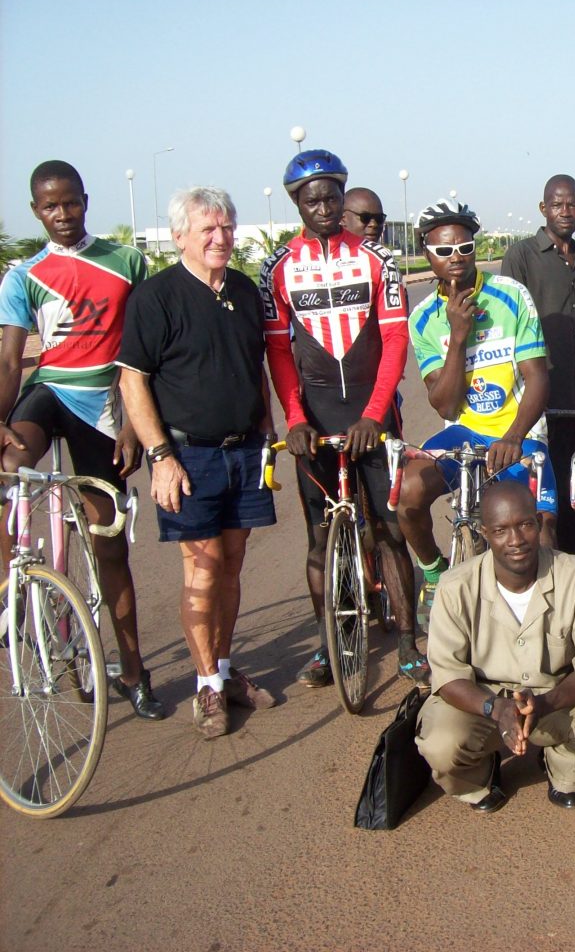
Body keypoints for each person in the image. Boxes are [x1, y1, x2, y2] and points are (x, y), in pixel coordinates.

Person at [0, 160, 162, 720]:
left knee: (109, 544)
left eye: (70, 203)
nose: (62, 214)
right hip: (51, 392)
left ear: (85, 201)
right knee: (9, 459)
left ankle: (135, 671)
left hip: (105, 403)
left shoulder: (128, 261)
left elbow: (146, 351)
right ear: (35, 211)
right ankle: (16, 589)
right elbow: (9, 360)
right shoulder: (23, 275)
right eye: (50, 206)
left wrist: (135, 425)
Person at [260, 150, 426, 688]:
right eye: (313, 200)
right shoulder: (277, 268)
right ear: (297, 204)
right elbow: (279, 351)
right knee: (317, 539)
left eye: (332, 196)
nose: (325, 207)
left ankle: (406, 641)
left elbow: (396, 338)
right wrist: (294, 417)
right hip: (316, 411)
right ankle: (328, 647)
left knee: (389, 531)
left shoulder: (378, 260)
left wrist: (376, 415)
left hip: (371, 414)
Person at [117, 187, 278, 739]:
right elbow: (132, 379)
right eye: (207, 228)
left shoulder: (241, 290)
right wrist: (161, 457)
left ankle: (227, 671)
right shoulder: (156, 297)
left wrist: (266, 427)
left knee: (231, 567)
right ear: (180, 235)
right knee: (202, 570)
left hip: (244, 451)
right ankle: (206, 685)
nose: (220, 237)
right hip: (189, 455)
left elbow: (253, 362)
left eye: (227, 227)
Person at [415, 481, 575, 812]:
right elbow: (447, 676)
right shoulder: (455, 586)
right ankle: (479, 779)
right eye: (500, 530)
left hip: (555, 699)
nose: (515, 540)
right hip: (483, 704)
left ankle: (563, 769)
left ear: (539, 524)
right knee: (440, 742)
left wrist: (543, 704)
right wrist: (496, 709)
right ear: (485, 533)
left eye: (525, 525)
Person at [397, 198, 555, 619]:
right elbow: (444, 403)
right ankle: (434, 572)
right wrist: (459, 336)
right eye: (444, 250)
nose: (456, 258)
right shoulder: (423, 318)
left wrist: (515, 437)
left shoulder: (510, 295)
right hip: (464, 431)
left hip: (518, 430)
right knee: (407, 493)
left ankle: (548, 622)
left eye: (464, 247)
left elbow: (538, 377)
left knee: (541, 532)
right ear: (426, 254)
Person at [500, 174, 575, 552]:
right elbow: (510, 327)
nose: (565, 212)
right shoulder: (522, 256)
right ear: (544, 209)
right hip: (540, 402)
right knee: (543, 504)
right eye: (557, 204)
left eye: (572, 204)